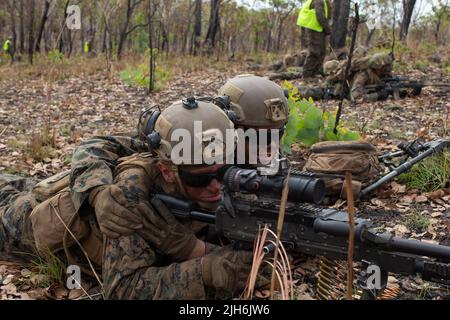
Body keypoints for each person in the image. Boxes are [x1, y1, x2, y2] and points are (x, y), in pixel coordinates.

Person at [1, 99, 265, 299]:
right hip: (15, 227)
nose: (217, 186)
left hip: (46, 188)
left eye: (225, 172)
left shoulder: (200, 141)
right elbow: (123, 288)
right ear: (167, 171)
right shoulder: (131, 196)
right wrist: (204, 271)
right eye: (200, 179)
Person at [68, 75, 289, 238]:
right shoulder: (190, 133)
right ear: (231, 125)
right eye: (256, 135)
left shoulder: (259, 152)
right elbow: (95, 147)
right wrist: (97, 193)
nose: (269, 145)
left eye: (277, 134)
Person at [297, 0, 332, 78]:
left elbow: (327, 15)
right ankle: (306, 76)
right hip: (313, 28)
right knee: (314, 52)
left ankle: (315, 73)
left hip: (319, 28)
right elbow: (320, 16)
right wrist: (327, 28)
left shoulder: (325, 1)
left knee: (322, 51)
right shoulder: (319, 0)